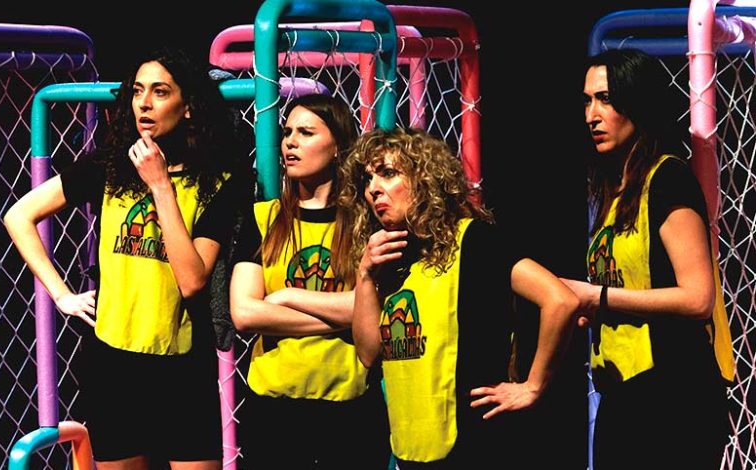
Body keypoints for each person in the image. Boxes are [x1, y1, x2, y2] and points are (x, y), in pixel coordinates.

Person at [3, 46, 254, 469]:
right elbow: (19, 215)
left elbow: (192, 280)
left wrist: (160, 186)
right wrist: (62, 295)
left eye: (160, 92)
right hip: (112, 365)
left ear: (188, 107)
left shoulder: (219, 182)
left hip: (181, 369)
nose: (144, 103)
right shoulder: (110, 166)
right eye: (138, 91)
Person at [340, 126, 581, 468]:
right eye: (367, 179)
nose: (373, 188)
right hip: (411, 450)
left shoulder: (474, 241)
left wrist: (532, 386)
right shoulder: (392, 261)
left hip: (474, 446)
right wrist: (365, 275)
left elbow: (561, 300)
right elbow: (368, 354)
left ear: (425, 179)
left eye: (388, 173)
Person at [562, 48, 733, 470]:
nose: (592, 115)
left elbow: (697, 297)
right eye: (587, 101)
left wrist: (598, 297)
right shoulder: (614, 188)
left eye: (605, 99)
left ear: (637, 103)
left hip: (674, 395)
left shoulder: (667, 179)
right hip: (625, 388)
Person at [228, 93, 390, 469]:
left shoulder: (366, 221)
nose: (291, 142)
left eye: (306, 132)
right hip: (274, 408)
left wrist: (287, 296)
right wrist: (348, 316)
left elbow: (376, 307)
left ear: (337, 148)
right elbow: (245, 314)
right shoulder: (263, 218)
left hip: (348, 407)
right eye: (287, 133)